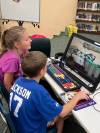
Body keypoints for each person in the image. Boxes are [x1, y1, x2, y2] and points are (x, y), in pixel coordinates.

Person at [9, 51, 89, 133]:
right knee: (63, 112)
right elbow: (62, 113)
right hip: (34, 129)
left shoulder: (18, 80)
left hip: (21, 125)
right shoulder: (38, 91)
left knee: (59, 107)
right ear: (41, 71)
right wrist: (77, 97)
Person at [0, 26, 32, 102]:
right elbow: (7, 83)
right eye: (27, 39)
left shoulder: (23, 51)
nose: (31, 40)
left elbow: (29, 62)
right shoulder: (12, 60)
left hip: (17, 79)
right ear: (17, 45)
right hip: (8, 87)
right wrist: (15, 97)